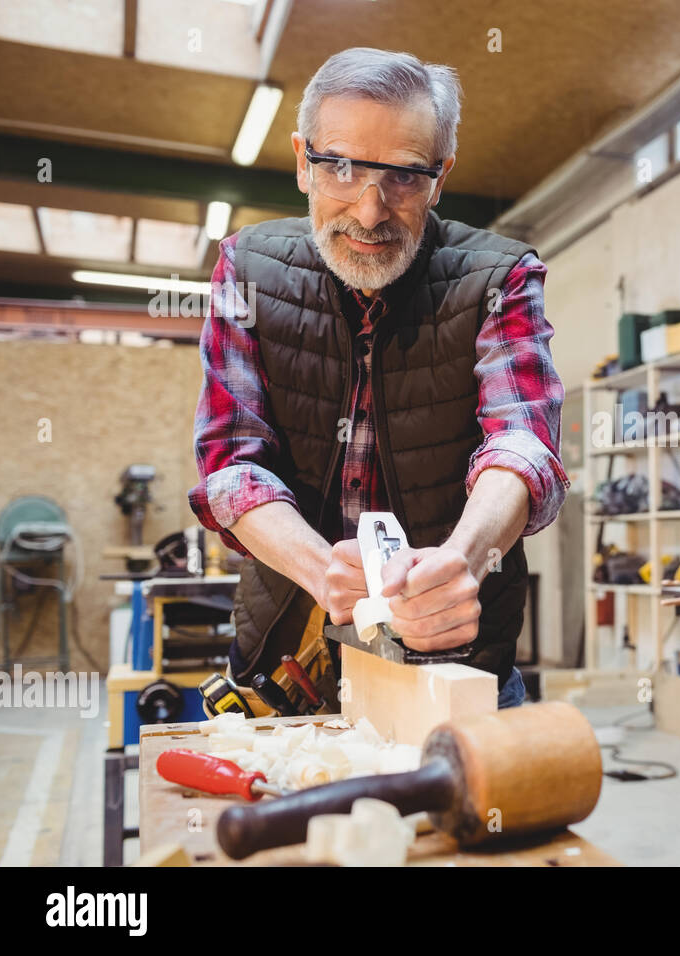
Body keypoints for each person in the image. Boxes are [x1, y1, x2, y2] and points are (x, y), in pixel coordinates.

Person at [188, 48, 566, 709]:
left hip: (460, 669)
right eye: (340, 167)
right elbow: (230, 464)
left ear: (440, 176)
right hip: (285, 669)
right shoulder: (245, 270)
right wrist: (318, 568)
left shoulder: (499, 278)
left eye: (404, 177)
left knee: (471, 816)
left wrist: (466, 558)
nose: (369, 211)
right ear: (303, 161)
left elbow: (523, 443)